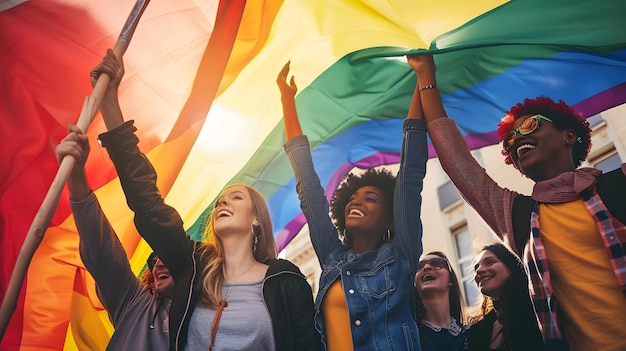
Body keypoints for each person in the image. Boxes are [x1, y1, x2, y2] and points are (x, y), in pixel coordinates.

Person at [91, 49, 323, 351]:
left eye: (235, 198)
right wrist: (110, 105)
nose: (222, 204)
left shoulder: (286, 280)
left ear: (256, 220)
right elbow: (147, 203)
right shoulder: (194, 264)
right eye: (219, 202)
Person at [406, 53, 626, 351]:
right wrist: (425, 75)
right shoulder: (518, 215)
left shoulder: (618, 184)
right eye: (510, 140)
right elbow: (456, 160)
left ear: (569, 136)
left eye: (531, 125)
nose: (516, 138)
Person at [278, 61, 427, 350]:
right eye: (352, 199)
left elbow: (410, 177)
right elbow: (308, 189)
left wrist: (423, 78)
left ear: (389, 218)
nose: (356, 202)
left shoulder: (401, 256)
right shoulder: (332, 257)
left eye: (371, 198)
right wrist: (286, 100)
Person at [56, 125, 174, 350]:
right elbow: (104, 256)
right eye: (154, 259)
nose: (158, 263)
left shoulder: (213, 317)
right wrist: (77, 178)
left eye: (168, 257)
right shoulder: (135, 303)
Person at [467, 243, 545, 351]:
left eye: (490, 262)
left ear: (512, 265)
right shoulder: (476, 332)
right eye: (476, 267)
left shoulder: (538, 312)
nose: (479, 271)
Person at [414, 251, 468, 351]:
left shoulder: (471, 336)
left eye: (436, 263)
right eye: (419, 266)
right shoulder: (410, 335)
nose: (426, 267)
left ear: (450, 280)